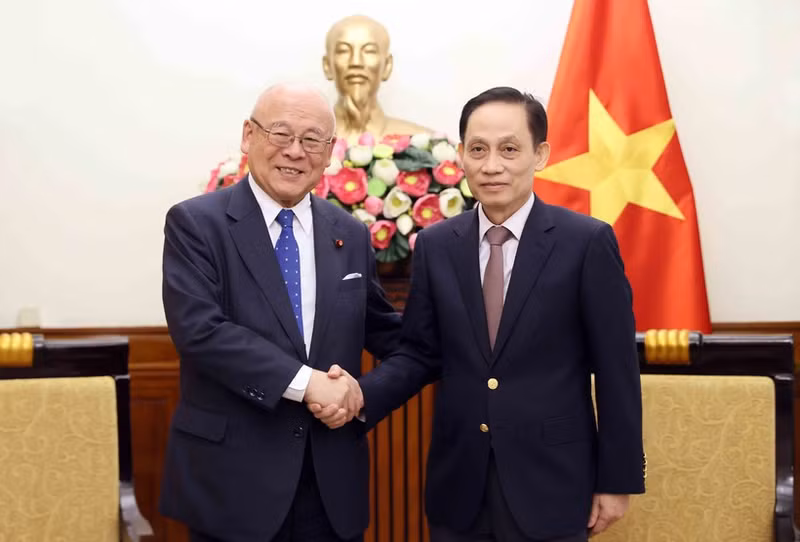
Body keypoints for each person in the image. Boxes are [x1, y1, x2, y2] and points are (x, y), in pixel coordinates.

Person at [313, 86, 646, 541]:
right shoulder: (435, 245)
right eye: (479, 149)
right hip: (459, 486)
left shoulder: (585, 243)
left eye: (510, 149)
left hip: (553, 483)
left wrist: (617, 479)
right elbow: (419, 354)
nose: (492, 165)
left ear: (540, 154)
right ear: (461, 156)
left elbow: (617, 370)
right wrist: (359, 396)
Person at [159, 83, 401, 542]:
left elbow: (391, 336)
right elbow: (201, 332)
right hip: (232, 483)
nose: (295, 151)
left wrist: (363, 395)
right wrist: (309, 383)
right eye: (281, 133)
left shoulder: (348, 233)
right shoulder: (196, 224)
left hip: (330, 485)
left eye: (312, 139)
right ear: (249, 136)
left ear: (330, 152)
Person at [323, 14, 432, 143]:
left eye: (369, 51)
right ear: (327, 65)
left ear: (387, 65)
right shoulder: (305, 144)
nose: (356, 62)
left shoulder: (422, 143)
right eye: (343, 51)